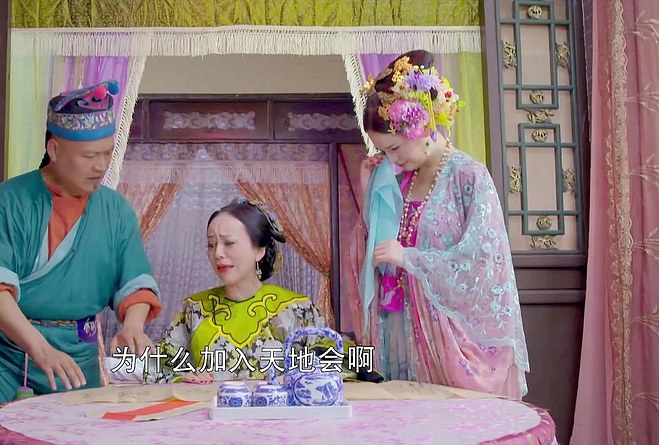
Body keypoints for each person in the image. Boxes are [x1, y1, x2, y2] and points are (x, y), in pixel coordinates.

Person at [0, 80, 162, 444]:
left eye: (106, 154)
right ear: (54, 148)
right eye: (88, 156)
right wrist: (39, 348)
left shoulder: (116, 211)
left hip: (76, 363)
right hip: (5, 357)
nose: (100, 166)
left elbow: (135, 280)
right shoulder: (8, 201)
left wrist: (132, 324)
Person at [358, 50, 529, 399]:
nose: (392, 159)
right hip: (402, 330)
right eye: (384, 152)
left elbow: (484, 262)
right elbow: (374, 251)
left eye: (394, 148)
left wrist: (411, 259)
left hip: (451, 342)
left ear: (420, 125)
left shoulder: (469, 176)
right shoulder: (399, 182)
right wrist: (370, 193)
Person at [142, 198, 369, 384]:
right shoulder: (195, 309)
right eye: (211, 244)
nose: (218, 253)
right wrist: (184, 376)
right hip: (211, 417)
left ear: (259, 251)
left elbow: (338, 360)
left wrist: (299, 376)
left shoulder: (296, 308)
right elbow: (158, 365)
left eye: (229, 243)